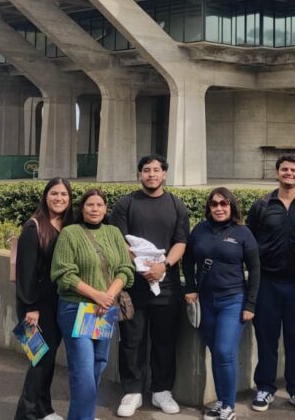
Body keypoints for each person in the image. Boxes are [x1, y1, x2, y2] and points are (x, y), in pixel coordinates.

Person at [111, 154, 190, 417]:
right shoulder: (125, 204)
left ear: (164, 174)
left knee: (165, 340)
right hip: (133, 284)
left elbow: (181, 242)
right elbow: (120, 242)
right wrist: (142, 266)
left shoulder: (176, 205)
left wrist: (163, 266)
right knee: (131, 340)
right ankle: (132, 391)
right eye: (147, 170)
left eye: (157, 170)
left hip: (166, 286)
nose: (152, 174)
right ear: (139, 174)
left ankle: (161, 391)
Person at [51, 189, 135, 420]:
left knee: (98, 364)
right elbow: (63, 274)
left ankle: (80, 416)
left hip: (105, 309)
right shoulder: (70, 233)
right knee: (84, 371)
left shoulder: (113, 232)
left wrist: (108, 295)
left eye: (99, 205)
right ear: (82, 208)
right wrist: (97, 295)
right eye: (90, 205)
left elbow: (126, 269)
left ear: (106, 209)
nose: (95, 209)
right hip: (76, 308)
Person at [246, 155, 295, 413]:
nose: (289, 173)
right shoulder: (261, 206)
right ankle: (265, 388)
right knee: (266, 338)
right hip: (267, 282)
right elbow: (249, 243)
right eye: (284, 169)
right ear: (277, 173)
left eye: (294, 170)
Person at [184, 187, 261, 420]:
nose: (219, 208)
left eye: (224, 204)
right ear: (209, 207)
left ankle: (229, 406)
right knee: (215, 353)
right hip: (206, 301)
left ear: (232, 206)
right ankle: (220, 402)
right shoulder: (199, 230)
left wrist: (250, 304)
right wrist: (190, 288)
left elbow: (255, 270)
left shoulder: (243, 233)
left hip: (233, 300)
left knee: (224, 352)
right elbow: (187, 261)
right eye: (214, 204)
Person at [14, 177, 75, 420]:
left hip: (57, 303)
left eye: (64, 194)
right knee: (39, 359)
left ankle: (43, 409)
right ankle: (26, 413)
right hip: (34, 307)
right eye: (54, 193)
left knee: (48, 360)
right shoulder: (34, 227)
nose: (59, 198)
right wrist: (31, 307)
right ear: (45, 196)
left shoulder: (69, 226)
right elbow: (26, 272)